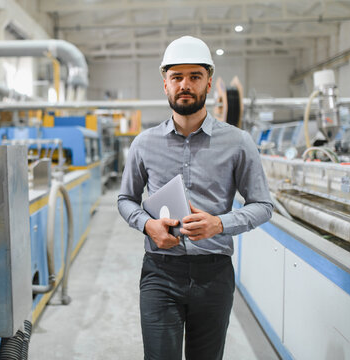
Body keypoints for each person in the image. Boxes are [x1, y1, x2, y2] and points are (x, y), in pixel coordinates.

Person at [117, 35, 273, 360]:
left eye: (194, 77)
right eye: (177, 77)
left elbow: (263, 206)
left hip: (214, 274)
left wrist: (220, 223)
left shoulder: (238, 143)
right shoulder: (144, 144)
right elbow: (126, 199)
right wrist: (148, 226)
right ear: (165, 85)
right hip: (160, 272)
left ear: (209, 83)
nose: (185, 85)